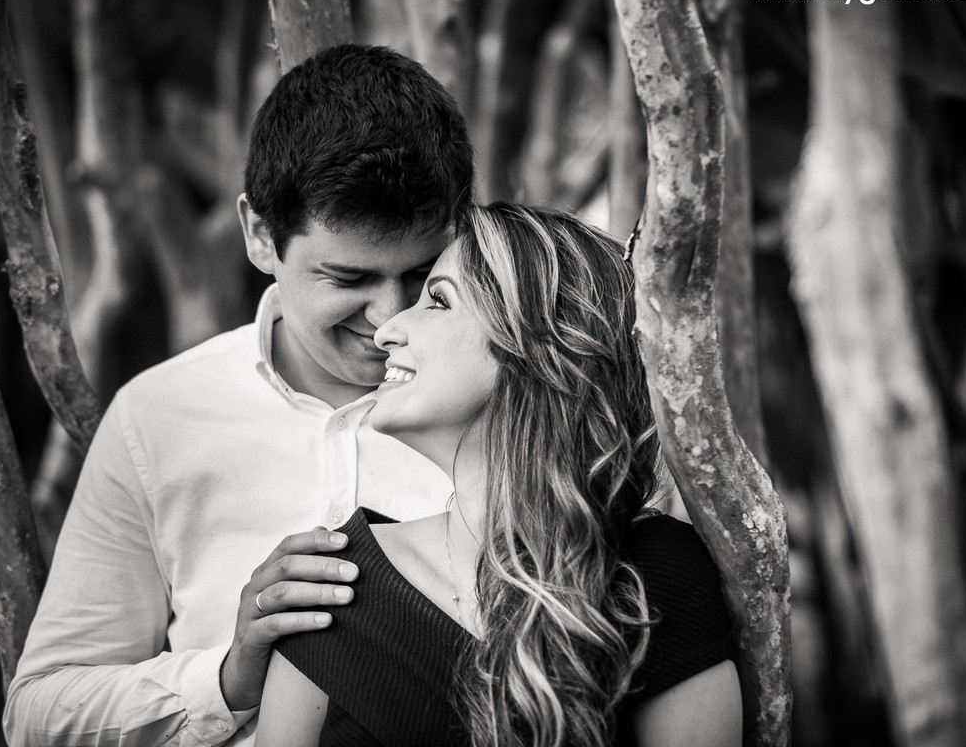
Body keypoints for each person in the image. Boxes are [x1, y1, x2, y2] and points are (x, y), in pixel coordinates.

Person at [3, 44, 475, 747]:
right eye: (348, 279)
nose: (389, 319)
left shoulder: (515, 405)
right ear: (259, 234)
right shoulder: (157, 420)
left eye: (421, 276)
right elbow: (37, 716)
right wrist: (229, 675)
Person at [255, 203, 742, 747]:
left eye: (437, 300)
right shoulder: (334, 587)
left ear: (535, 346)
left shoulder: (653, 574)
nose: (388, 330)